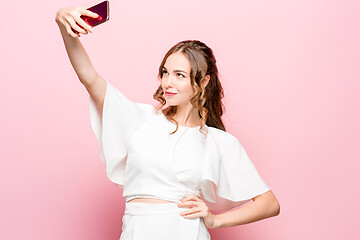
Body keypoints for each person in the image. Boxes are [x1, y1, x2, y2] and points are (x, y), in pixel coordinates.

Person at [55, 5, 280, 240]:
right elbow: (90, 79)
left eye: (179, 75)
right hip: (136, 231)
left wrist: (215, 219)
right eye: (165, 72)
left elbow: (270, 204)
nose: (167, 83)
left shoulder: (216, 141)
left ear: (203, 82)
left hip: (186, 232)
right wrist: (63, 26)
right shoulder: (140, 119)